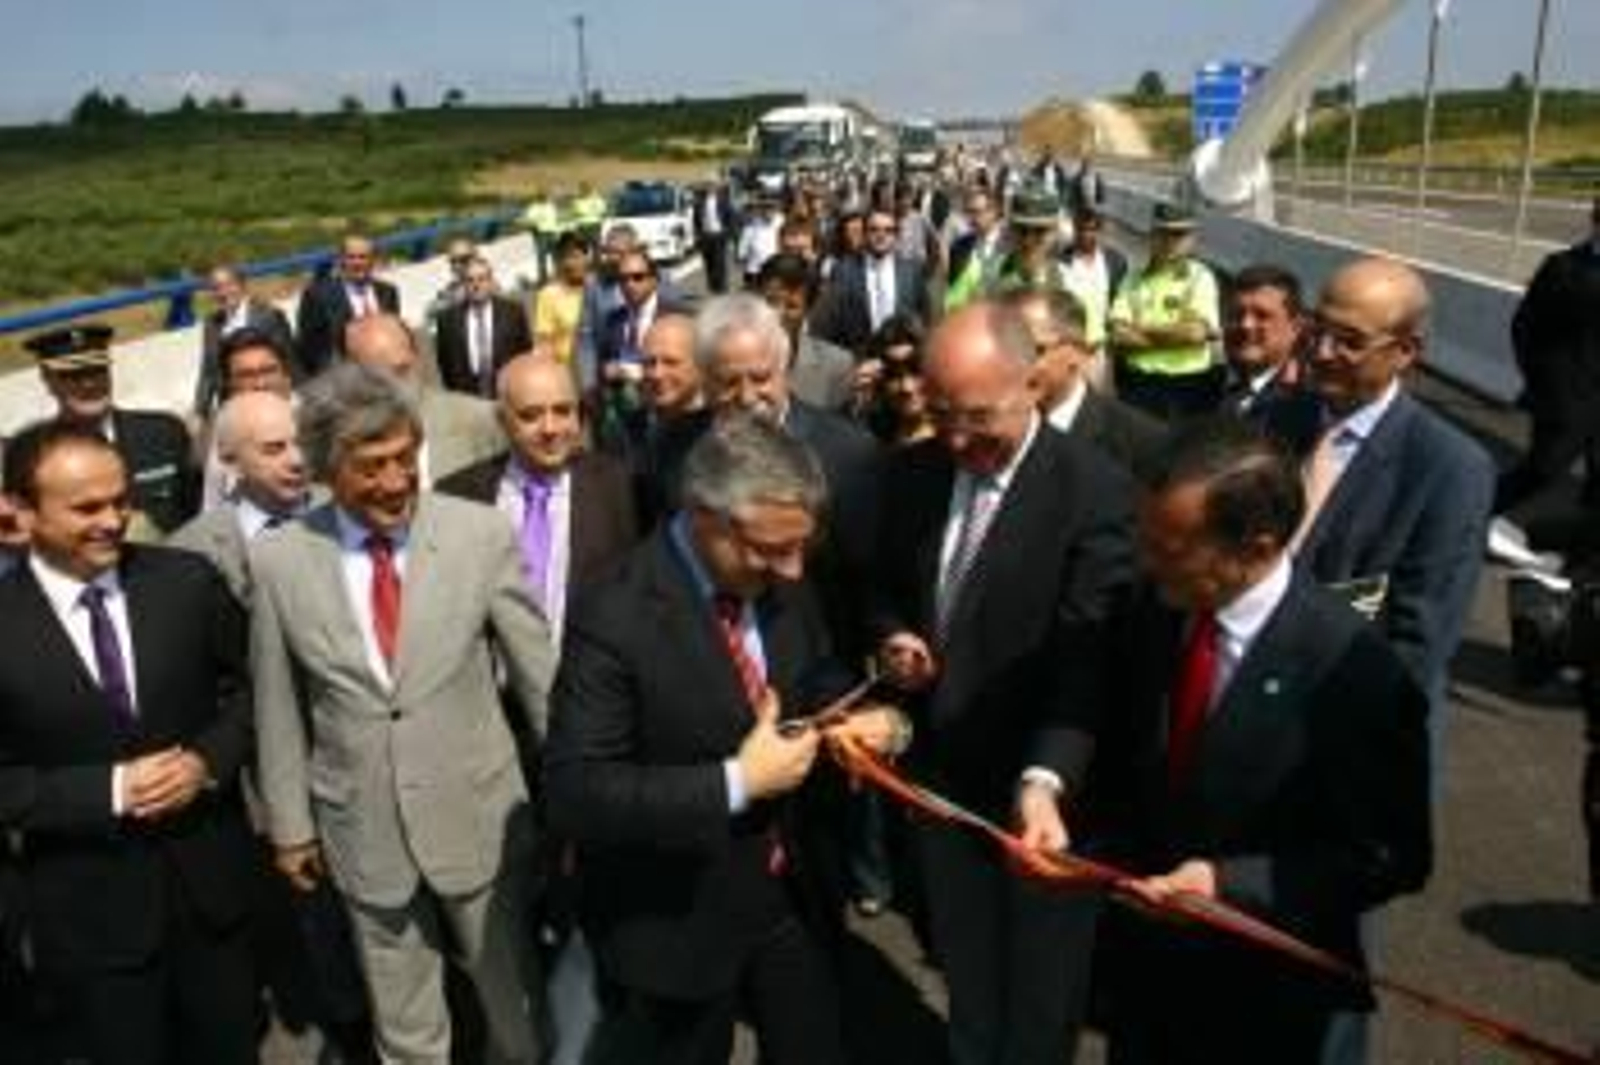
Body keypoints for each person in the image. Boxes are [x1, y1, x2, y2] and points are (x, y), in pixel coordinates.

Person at [544, 414, 906, 1065]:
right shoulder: (613, 611)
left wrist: (853, 715)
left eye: (802, 545)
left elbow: (814, 668)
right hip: (677, 916)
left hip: (792, 892)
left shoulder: (781, 568)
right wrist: (737, 782)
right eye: (771, 549)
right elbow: (578, 790)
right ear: (708, 517)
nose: (793, 570)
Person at [1094, 416, 1432, 1064]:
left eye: (1172, 547)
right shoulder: (1156, 602)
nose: (1146, 559)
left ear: (1258, 545)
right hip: (1145, 978)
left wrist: (1227, 884)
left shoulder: (1352, 673)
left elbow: (1391, 856)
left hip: (1263, 1000)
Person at [251, 364, 553, 1064]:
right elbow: (279, 704)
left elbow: (540, 676)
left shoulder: (479, 535)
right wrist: (291, 828)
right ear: (327, 468)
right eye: (372, 466)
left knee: (512, 996)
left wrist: (574, 787)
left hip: (478, 818)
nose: (394, 482)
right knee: (405, 1017)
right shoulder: (280, 562)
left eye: (404, 459)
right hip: (362, 828)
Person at [868, 301, 1136, 1065]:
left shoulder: (1096, 490)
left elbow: (1089, 657)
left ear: (1034, 384)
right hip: (942, 789)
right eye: (942, 413)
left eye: (977, 416)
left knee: (1042, 1007)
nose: (957, 438)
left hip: (1046, 804)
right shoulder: (912, 472)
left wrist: (1046, 777)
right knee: (970, 987)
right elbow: (882, 585)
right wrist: (890, 637)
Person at [0, 421, 257, 1065]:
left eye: (121, 501)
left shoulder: (186, 583)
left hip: (212, 900)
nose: (112, 521)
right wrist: (109, 790)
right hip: (90, 924)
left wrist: (207, 762)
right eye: (86, 508)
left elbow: (262, 696)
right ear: (21, 512)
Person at [1258, 257, 1495, 718]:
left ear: (1407, 351)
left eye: (1349, 341)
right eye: (1317, 330)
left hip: (1344, 726)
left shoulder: (1449, 469)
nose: (1322, 351)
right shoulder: (1272, 420)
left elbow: (1417, 644)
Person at [436, 354, 640, 647]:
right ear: (502, 420)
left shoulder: (621, 488)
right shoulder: (458, 495)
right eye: (530, 415)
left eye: (562, 411)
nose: (550, 429)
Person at [25, 323, 200, 537]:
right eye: (73, 375)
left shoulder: (164, 433)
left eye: (97, 370)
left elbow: (197, 518)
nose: (89, 383)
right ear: (47, 379)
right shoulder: (34, 454)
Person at [1498, 195, 1600, 513]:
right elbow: (1525, 327)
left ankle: (1583, 556)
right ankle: (1468, 517)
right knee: (1544, 469)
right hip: (1566, 395)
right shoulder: (1562, 267)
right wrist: (1543, 382)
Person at [170, 392, 307, 604]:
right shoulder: (190, 549)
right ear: (231, 461)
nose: (297, 460)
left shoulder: (346, 513)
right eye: (274, 449)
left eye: (301, 443)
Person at [1007, 287, 1163, 474]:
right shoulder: (978, 434)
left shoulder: (1144, 444)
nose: (1012, 364)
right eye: (1003, 350)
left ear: (1078, 352)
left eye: (1032, 350)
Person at [344, 313, 505, 486]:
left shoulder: (483, 418)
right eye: (377, 379)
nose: (394, 388)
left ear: (417, 358)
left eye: (401, 371)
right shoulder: (339, 439)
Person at [1108, 202, 1223, 420]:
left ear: (1192, 239)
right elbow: (1118, 336)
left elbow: (1195, 334)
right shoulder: (1133, 279)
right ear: (1152, 235)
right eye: (1164, 233)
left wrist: (1139, 329)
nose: (1171, 242)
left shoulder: (1200, 277)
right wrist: (1176, 333)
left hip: (1189, 386)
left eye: (1179, 235)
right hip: (1140, 385)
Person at [814, 207, 933, 354]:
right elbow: (831, 323)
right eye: (874, 229)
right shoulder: (843, 270)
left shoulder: (911, 271)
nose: (881, 235)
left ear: (897, 235)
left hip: (901, 362)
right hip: (857, 362)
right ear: (864, 234)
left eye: (888, 230)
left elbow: (925, 317)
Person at [193, 264, 294, 417]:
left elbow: (288, 360)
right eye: (216, 288)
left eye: (228, 285)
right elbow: (208, 371)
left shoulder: (269, 316)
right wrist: (200, 410)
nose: (223, 293)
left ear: (242, 286)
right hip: (232, 406)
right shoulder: (212, 324)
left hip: (268, 399)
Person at [294, 233, 400, 379]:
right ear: (341, 260)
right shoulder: (317, 297)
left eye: (363, 257)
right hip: (341, 384)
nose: (357, 263)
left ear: (374, 260)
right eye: (351, 257)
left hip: (386, 378)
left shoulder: (388, 292)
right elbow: (308, 347)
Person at [759, 251, 854, 410]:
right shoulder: (729, 360)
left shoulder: (836, 365)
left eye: (792, 306)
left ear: (808, 310)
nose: (777, 315)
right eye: (770, 302)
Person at [434, 256, 535, 397]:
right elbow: (445, 364)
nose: (476, 285)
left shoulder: (513, 313)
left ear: (491, 281)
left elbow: (525, 355)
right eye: (470, 280)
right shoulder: (447, 321)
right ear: (463, 284)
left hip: (507, 393)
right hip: (468, 398)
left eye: (482, 279)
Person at [1222, 263, 1308, 418]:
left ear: (1296, 327)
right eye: (1237, 314)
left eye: (1262, 315)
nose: (1245, 325)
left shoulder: (1303, 405)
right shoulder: (1211, 384)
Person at [1059, 197, 1128, 390]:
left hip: (1101, 352)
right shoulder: (1059, 262)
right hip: (1069, 350)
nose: (1087, 234)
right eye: (1082, 229)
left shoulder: (1116, 262)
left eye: (1093, 229)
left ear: (1102, 230)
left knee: (1099, 405)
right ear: (1074, 228)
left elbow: (1119, 305)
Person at [944, 188, 1008, 312]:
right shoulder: (959, 247)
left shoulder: (1011, 245)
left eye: (977, 212)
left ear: (994, 212)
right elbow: (953, 290)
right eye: (969, 212)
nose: (972, 219)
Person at [535, 231, 592, 367]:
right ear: (560, 261)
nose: (575, 262)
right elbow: (545, 343)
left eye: (580, 256)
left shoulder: (597, 289)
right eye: (570, 257)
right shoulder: (548, 295)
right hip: (566, 370)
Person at [693, 179, 738, 295]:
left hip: (719, 234)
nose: (710, 188)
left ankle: (721, 285)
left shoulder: (723, 200)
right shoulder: (699, 202)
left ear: (717, 188)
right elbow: (696, 220)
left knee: (720, 262)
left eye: (712, 186)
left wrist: (729, 233)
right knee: (709, 261)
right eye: (708, 186)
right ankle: (712, 285)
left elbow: (731, 216)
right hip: (705, 235)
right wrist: (698, 234)